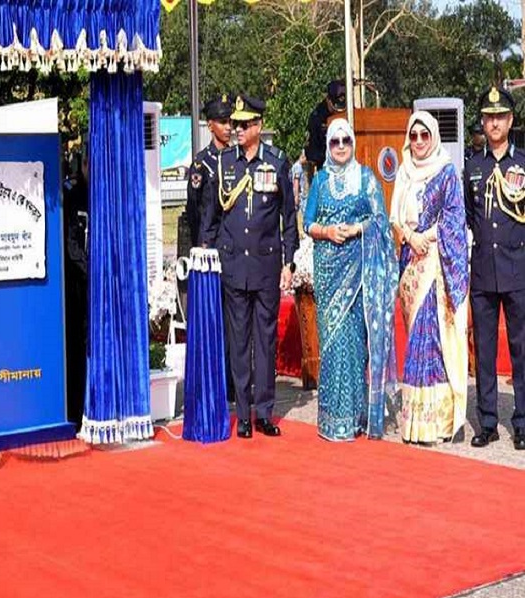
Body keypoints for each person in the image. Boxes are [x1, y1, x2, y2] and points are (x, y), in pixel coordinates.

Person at [201, 94, 298, 438]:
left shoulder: (277, 162)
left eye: (244, 124)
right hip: (234, 265)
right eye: (234, 124)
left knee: (265, 340)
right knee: (239, 341)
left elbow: (288, 217)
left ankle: (264, 412)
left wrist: (289, 261)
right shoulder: (225, 162)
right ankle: (242, 413)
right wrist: (204, 252)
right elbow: (211, 215)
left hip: (266, 264)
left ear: (259, 126)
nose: (237, 129)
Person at [304, 119, 398, 441]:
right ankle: (332, 420)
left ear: (353, 144)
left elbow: (380, 220)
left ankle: (355, 417)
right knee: (332, 343)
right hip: (328, 272)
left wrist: (358, 229)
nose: (341, 146)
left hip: (358, 272)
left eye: (346, 140)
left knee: (355, 342)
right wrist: (328, 231)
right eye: (335, 142)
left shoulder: (366, 177)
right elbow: (307, 223)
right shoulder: (320, 181)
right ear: (328, 146)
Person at [391, 110, 469, 444]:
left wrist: (427, 236)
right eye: (414, 135)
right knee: (414, 338)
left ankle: (436, 424)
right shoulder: (404, 172)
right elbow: (395, 219)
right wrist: (411, 237)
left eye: (425, 135)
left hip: (436, 264)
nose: (419, 141)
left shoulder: (446, 171)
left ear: (434, 137)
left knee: (432, 338)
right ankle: (414, 423)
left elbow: (455, 218)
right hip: (411, 262)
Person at [465, 86, 525, 450]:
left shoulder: (523, 165)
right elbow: (470, 219)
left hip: (518, 269)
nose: (494, 123)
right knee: (484, 351)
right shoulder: (474, 166)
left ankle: (522, 422)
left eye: (500, 116)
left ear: (511, 120)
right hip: (484, 271)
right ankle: (487, 421)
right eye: (488, 118)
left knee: (521, 349)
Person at [186, 95, 233, 247]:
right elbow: (193, 208)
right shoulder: (202, 164)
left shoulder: (236, 159)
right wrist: (200, 241)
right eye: (223, 122)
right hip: (210, 241)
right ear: (210, 126)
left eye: (230, 122)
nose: (228, 127)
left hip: (233, 241)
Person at [63, 149, 89, 427]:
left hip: (97, 286)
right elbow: (72, 246)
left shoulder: (105, 196)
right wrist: (91, 271)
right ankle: (76, 411)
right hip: (79, 287)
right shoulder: (73, 196)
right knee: (77, 350)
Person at [304, 80, 347, 172]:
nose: (338, 111)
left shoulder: (349, 111)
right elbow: (311, 153)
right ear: (328, 100)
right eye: (336, 105)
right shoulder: (317, 118)